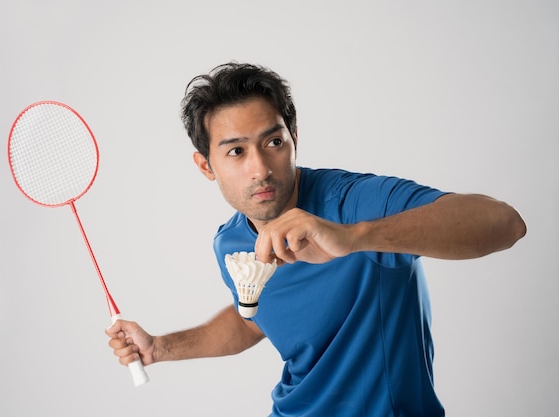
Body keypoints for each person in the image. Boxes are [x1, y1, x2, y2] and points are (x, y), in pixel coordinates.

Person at [106, 62, 526, 416]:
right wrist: (160, 347)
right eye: (236, 151)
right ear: (205, 165)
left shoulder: (358, 202)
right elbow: (252, 318)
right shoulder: (229, 244)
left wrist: (353, 238)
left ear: (294, 138)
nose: (260, 169)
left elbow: (504, 223)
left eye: (273, 142)